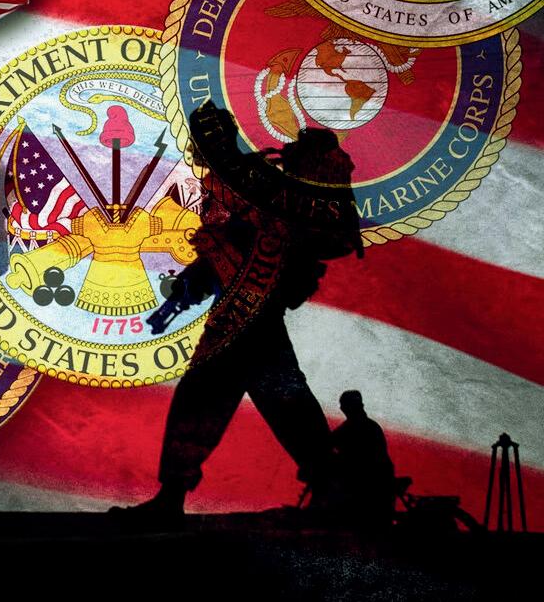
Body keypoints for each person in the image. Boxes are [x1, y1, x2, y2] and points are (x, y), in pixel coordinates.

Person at [112, 109, 361, 524]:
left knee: (222, 400)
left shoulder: (253, 183)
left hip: (252, 317)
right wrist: (186, 291)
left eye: (202, 142)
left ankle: (173, 498)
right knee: (278, 401)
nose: (196, 151)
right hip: (243, 314)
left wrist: (199, 281)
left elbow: (265, 242)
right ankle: (329, 490)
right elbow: (221, 252)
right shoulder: (235, 182)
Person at [331, 390, 395, 528]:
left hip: (368, 483)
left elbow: (333, 445)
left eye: (344, 405)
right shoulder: (369, 426)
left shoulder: (353, 428)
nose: (342, 408)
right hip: (377, 480)